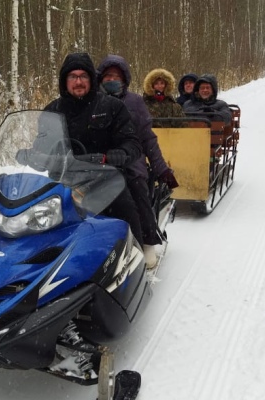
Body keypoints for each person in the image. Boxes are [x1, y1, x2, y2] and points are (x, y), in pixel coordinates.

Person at [44, 52, 144, 248]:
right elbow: (43, 144)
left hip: (107, 178)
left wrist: (120, 153)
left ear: (91, 79)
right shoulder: (52, 110)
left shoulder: (111, 106)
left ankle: (136, 252)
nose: (78, 81)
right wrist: (32, 155)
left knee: (125, 210)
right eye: (73, 76)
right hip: (64, 181)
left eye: (83, 76)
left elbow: (132, 142)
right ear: (64, 81)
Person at [97, 54, 178, 268]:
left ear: (124, 79)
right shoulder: (94, 100)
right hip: (99, 162)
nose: (111, 80)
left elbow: (147, 137)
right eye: (107, 76)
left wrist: (162, 169)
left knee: (137, 192)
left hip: (131, 162)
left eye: (116, 76)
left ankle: (147, 242)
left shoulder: (135, 102)